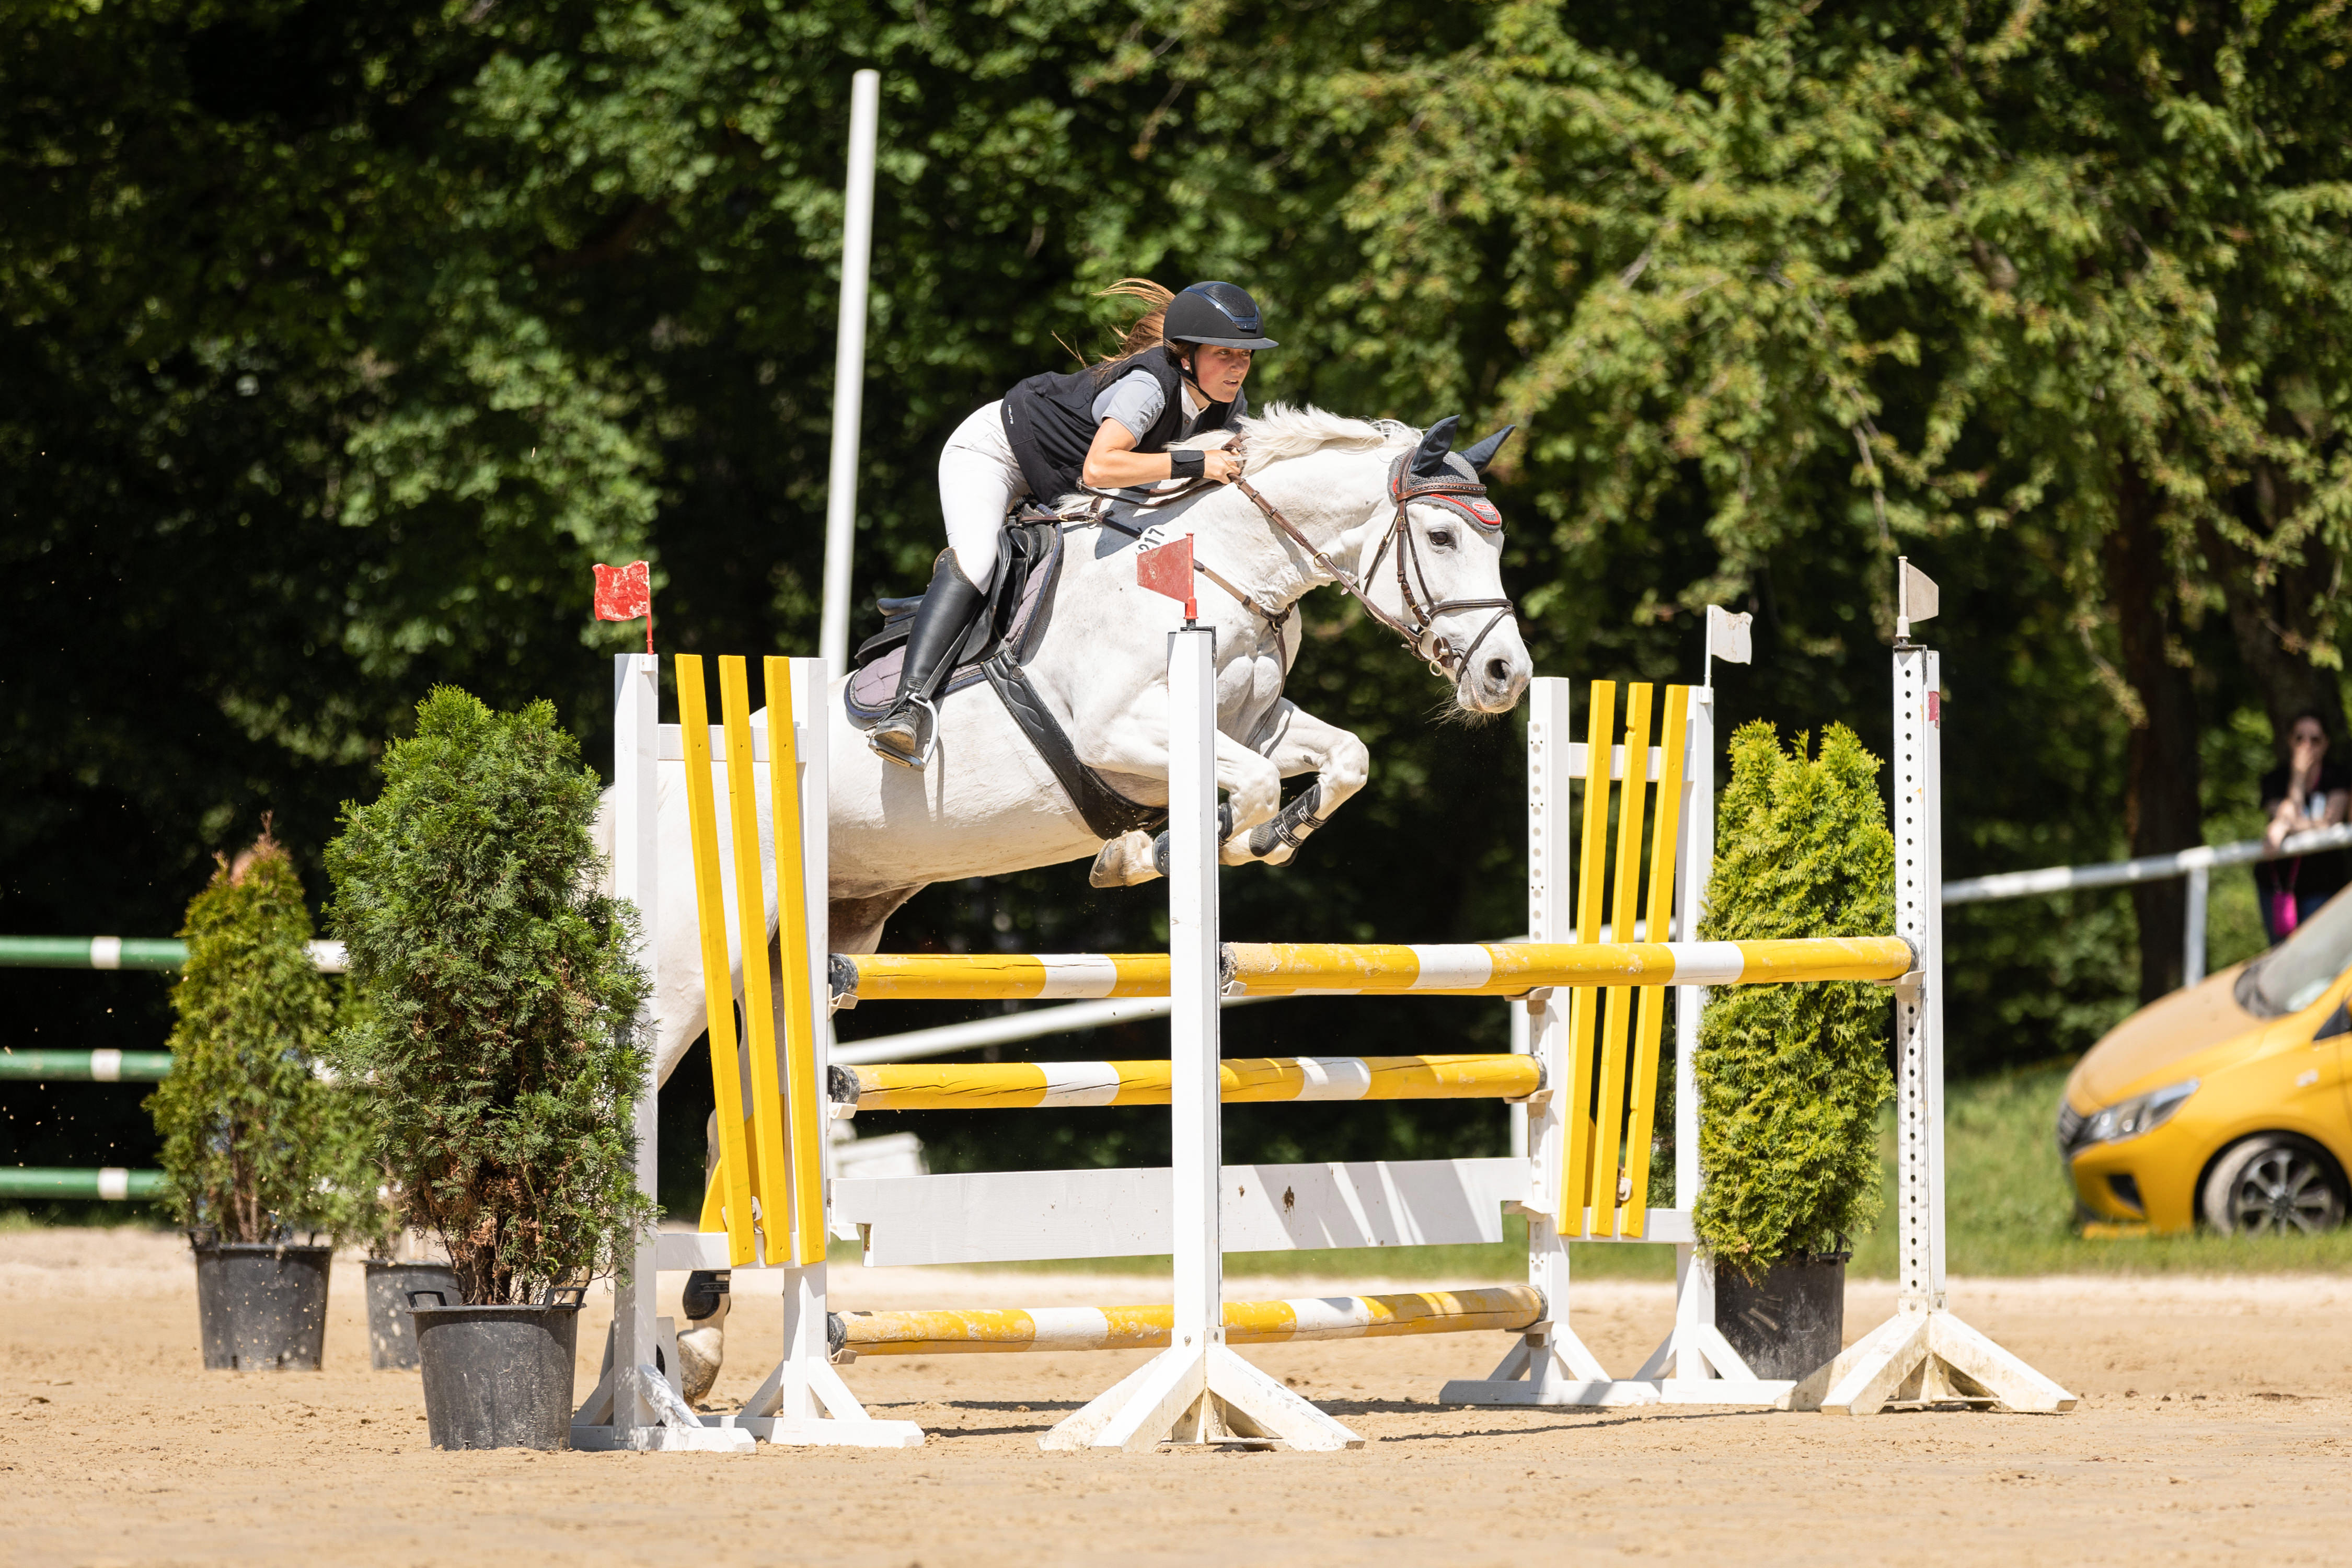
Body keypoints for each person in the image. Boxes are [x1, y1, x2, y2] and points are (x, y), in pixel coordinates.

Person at [867, 279, 1278, 767]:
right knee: (978, 560)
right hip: (997, 453)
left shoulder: (1229, 403)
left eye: (1246, 356)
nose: (1238, 368)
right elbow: (1100, 467)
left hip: (1064, 478)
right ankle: (908, 707)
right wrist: (1195, 463)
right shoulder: (1150, 386)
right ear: (1186, 356)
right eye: (1224, 354)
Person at [2257, 710, 2352, 941]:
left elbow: (2330, 821)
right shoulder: (2275, 780)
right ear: (2290, 740)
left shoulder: (2337, 777)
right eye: (2300, 738)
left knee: (2315, 954)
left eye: (2315, 739)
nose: (2307, 746)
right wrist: (2299, 777)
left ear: (2326, 743)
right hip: (2279, 888)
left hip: (2323, 883)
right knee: (2281, 959)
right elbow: (2286, 814)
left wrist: (2287, 826)